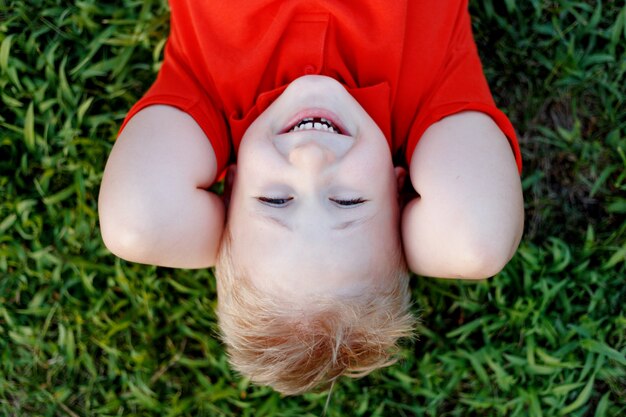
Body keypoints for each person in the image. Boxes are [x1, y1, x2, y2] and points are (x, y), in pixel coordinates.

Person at [98, 0, 524, 395]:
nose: (310, 159)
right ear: (400, 192)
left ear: (231, 188)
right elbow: (476, 243)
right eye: (347, 202)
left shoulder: (210, 88)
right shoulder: (426, 91)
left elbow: (136, 225)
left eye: (276, 200)